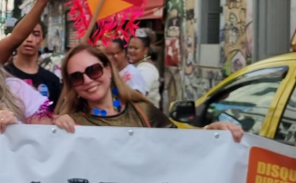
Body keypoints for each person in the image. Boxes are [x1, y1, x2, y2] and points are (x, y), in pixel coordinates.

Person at [52, 45, 242, 141]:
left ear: (109, 69)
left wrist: (211, 132)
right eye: (77, 77)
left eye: (94, 70)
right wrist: (54, 131)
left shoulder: (143, 111)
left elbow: (182, 147)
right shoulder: (71, 125)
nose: (87, 80)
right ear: (71, 85)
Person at [4, 21, 62, 110]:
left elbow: (55, 115)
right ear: (15, 37)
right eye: (24, 33)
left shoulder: (52, 80)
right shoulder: (1, 75)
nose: (29, 39)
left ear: (43, 40)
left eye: (36, 34)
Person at [127, 28, 161, 107]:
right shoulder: (135, 66)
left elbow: (139, 96)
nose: (131, 51)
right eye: (130, 47)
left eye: (136, 48)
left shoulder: (146, 69)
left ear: (145, 50)